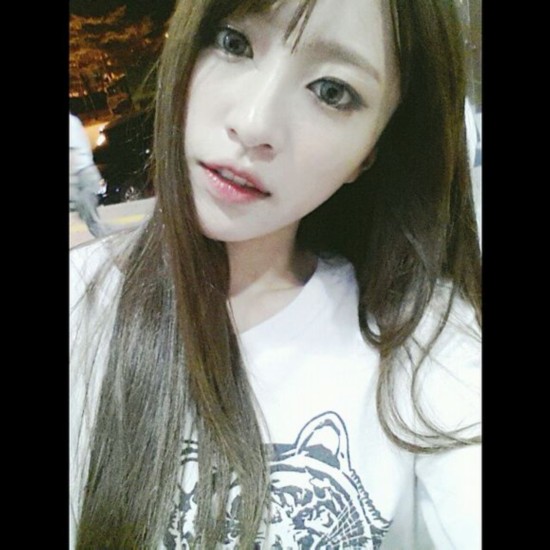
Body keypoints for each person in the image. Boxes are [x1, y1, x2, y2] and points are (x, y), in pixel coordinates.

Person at [70, 0, 481, 548]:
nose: (253, 123)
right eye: (234, 43)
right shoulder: (81, 300)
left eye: (332, 91)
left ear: (372, 151)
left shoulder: (421, 339)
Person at [69, 112, 109, 238]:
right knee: (91, 220)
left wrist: (72, 183)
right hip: (87, 171)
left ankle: (111, 240)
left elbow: (73, 155)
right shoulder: (74, 121)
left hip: (81, 175)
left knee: (93, 222)